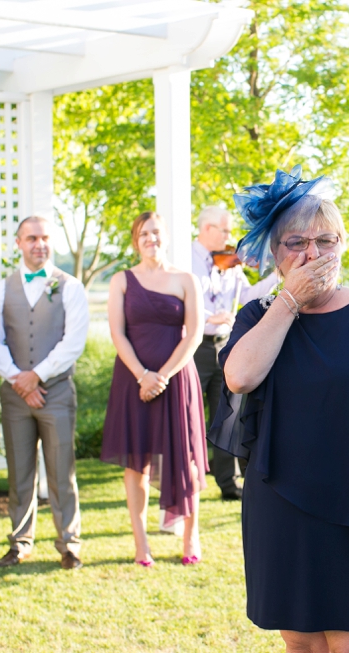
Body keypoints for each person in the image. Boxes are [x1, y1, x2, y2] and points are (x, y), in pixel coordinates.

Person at [210, 167, 349, 653]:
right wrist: (291, 300)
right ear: (275, 255)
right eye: (297, 242)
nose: (313, 253)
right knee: (302, 646)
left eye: (326, 240)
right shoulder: (259, 316)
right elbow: (239, 376)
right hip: (283, 505)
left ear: (343, 246)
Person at [100, 211, 208, 566]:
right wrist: (143, 375)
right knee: (137, 464)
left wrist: (161, 375)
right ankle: (141, 543)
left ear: (166, 237)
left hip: (177, 379)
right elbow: (117, 332)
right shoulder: (122, 280)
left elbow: (193, 335)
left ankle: (191, 537)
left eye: (157, 232)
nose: (151, 239)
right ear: (136, 240)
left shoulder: (186, 279)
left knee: (187, 459)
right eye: (144, 233)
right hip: (133, 381)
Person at [0, 216, 89, 570]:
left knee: (62, 471)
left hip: (56, 392)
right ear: (18, 243)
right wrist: (19, 380)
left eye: (44, 237)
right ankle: (19, 542)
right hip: (15, 396)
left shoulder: (69, 286)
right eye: (31, 238)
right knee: (20, 471)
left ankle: (69, 544)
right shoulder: (1, 289)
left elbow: (73, 341)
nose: (38, 244)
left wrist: (37, 376)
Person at [191, 206, 277, 501]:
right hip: (193, 345)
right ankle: (187, 479)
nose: (231, 237)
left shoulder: (229, 262)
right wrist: (207, 317)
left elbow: (249, 297)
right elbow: (181, 301)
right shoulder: (186, 258)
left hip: (224, 345)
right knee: (190, 416)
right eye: (225, 231)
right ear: (207, 229)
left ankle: (228, 483)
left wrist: (279, 274)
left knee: (226, 416)